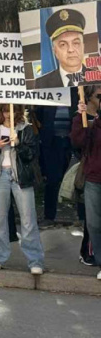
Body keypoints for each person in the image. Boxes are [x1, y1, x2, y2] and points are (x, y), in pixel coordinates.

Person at [0, 104, 44, 274]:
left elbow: (32, 154)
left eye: (13, 110)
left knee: (28, 219)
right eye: (5, 110)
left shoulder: (26, 128)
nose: (9, 114)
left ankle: (35, 260)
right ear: (0, 111)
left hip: (20, 176)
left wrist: (18, 144)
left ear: (19, 112)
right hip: (0, 175)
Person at [37, 93, 78, 227]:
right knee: (52, 180)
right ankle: (49, 216)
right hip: (52, 141)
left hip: (71, 141)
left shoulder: (75, 92)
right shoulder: (49, 92)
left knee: (77, 179)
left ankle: (82, 217)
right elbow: (39, 114)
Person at [72, 88, 101, 277]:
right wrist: (81, 119)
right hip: (94, 179)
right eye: (99, 96)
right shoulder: (88, 122)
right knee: (94, 224)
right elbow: (77, 142)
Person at [34, 8, 89, 88]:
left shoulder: (98, 78)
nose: (71, 49)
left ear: (83, 46)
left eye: (76, 43)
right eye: (63, 44)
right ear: (55, 51)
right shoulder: (41, 84)